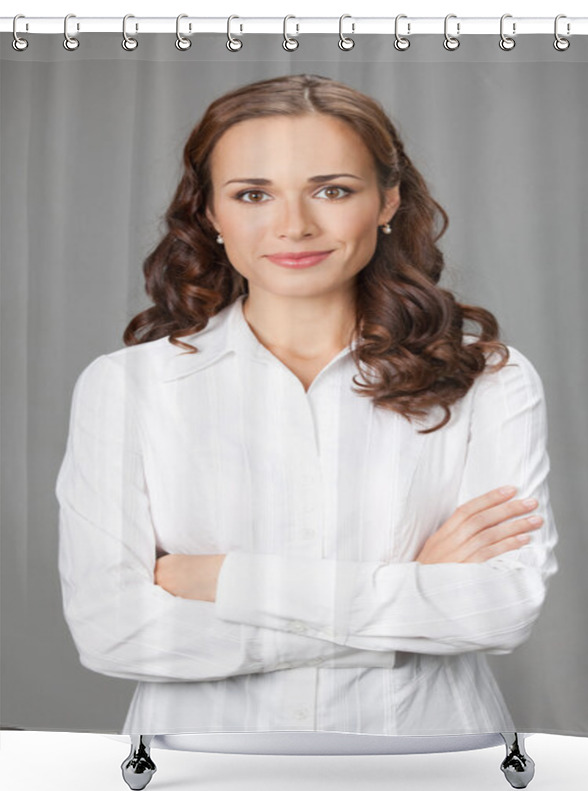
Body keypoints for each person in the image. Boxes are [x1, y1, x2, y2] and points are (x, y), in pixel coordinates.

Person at [55, 74, 559, 737]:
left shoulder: (490, 379)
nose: (293, 226)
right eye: (253, 194)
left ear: (388, 200)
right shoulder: (126, 387)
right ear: (210, 212)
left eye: (333, 190)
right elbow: (111, 632)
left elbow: (501, 609)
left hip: (427, 764)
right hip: (202, 771)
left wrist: (227, 583)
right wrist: (405, 591)